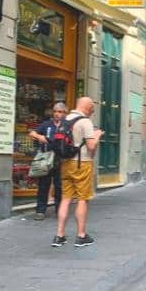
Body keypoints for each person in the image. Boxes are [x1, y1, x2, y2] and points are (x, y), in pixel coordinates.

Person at [52, 97, 103, 248]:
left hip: (65, 163)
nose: (92, 113)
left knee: (66, 198)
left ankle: (59, 235)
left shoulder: (65, 119)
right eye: (92, 110)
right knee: (82, 199)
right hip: (82, 163)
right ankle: (81, 235)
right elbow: (91, 146)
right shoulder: (85, 121)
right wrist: (98, 134)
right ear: (87, 108)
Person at [29, 102, 66, 220]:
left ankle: (59, 210)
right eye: (55, 111)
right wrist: (40, 137)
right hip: (46, 159)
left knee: (59, 186)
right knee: (43, 185)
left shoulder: (67, 126)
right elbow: (32, 133)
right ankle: (40, 211)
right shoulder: (47, 124)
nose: (57, 114)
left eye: (60, 112)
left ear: (65, 113)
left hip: (60, 160)